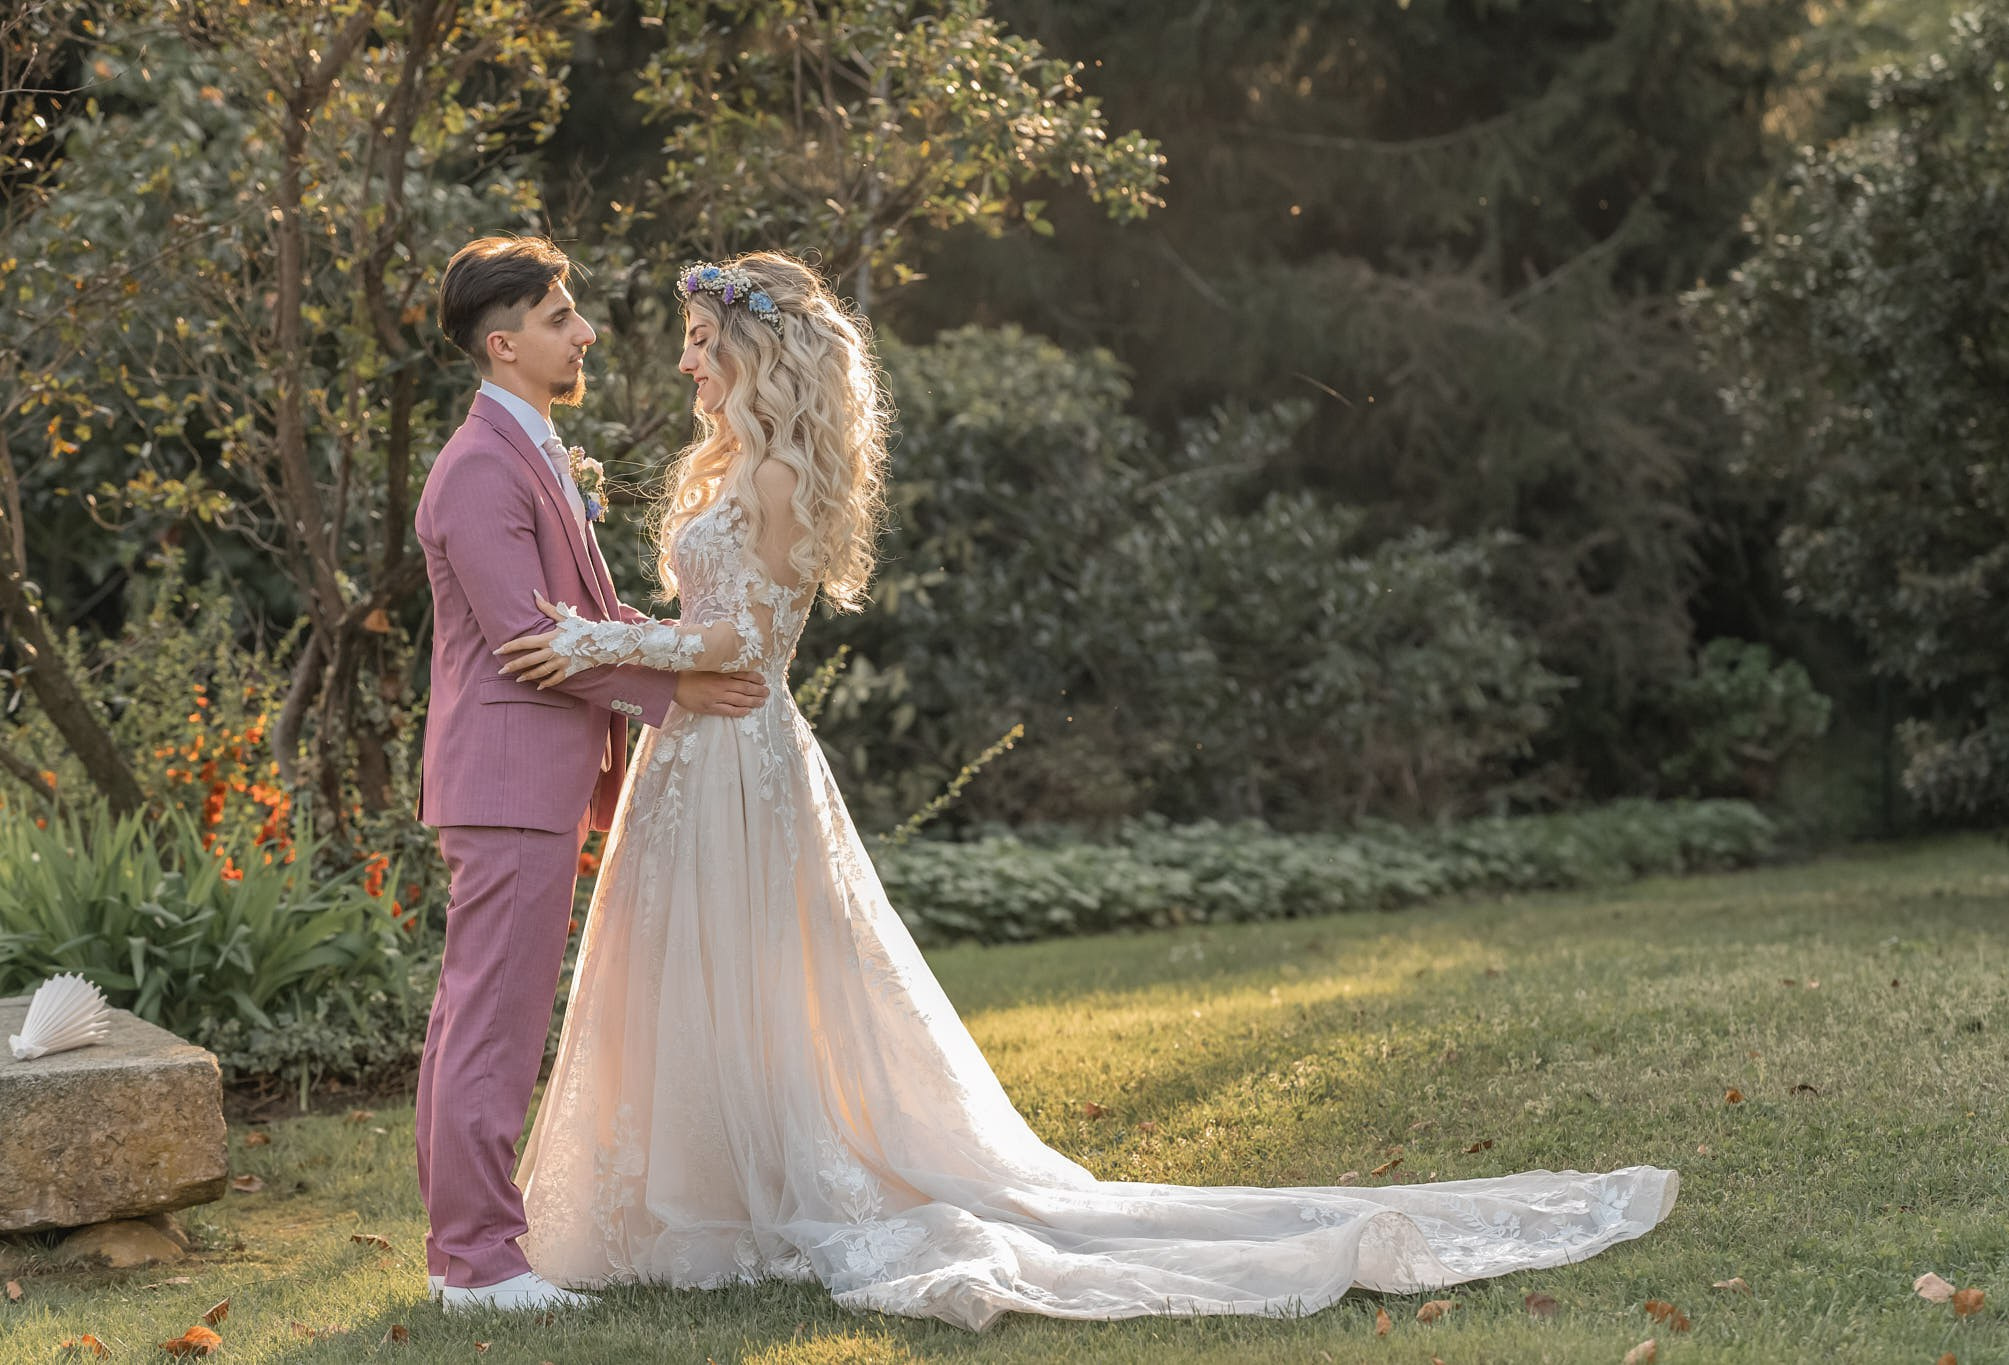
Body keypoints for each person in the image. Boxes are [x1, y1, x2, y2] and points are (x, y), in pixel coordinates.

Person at [496, 251, 1678, 1330]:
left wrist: (599, 646)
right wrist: (621, 646)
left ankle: (755, 1203)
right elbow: (705, 634)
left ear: (757, 355)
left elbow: (743, 644)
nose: (686, 357)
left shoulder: (779, 475)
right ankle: (685, 1204)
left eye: (702, 339)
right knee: (687, 976)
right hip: (692, 761)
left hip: (742, 761)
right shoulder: (726, 467)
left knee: (748, 972)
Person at [412, 236, 767, 1313]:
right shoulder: (479, 467)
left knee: (481, 1019)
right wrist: (675, 694)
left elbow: (590, 621)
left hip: (532, 780)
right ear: (504, 342)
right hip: (507, 781)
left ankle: (468, 1251)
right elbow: (531, 640)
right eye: (562, 318)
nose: (586, 332)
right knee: (490, 1027)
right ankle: (475, 1264)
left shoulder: (531, 451)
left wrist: (668, 649)